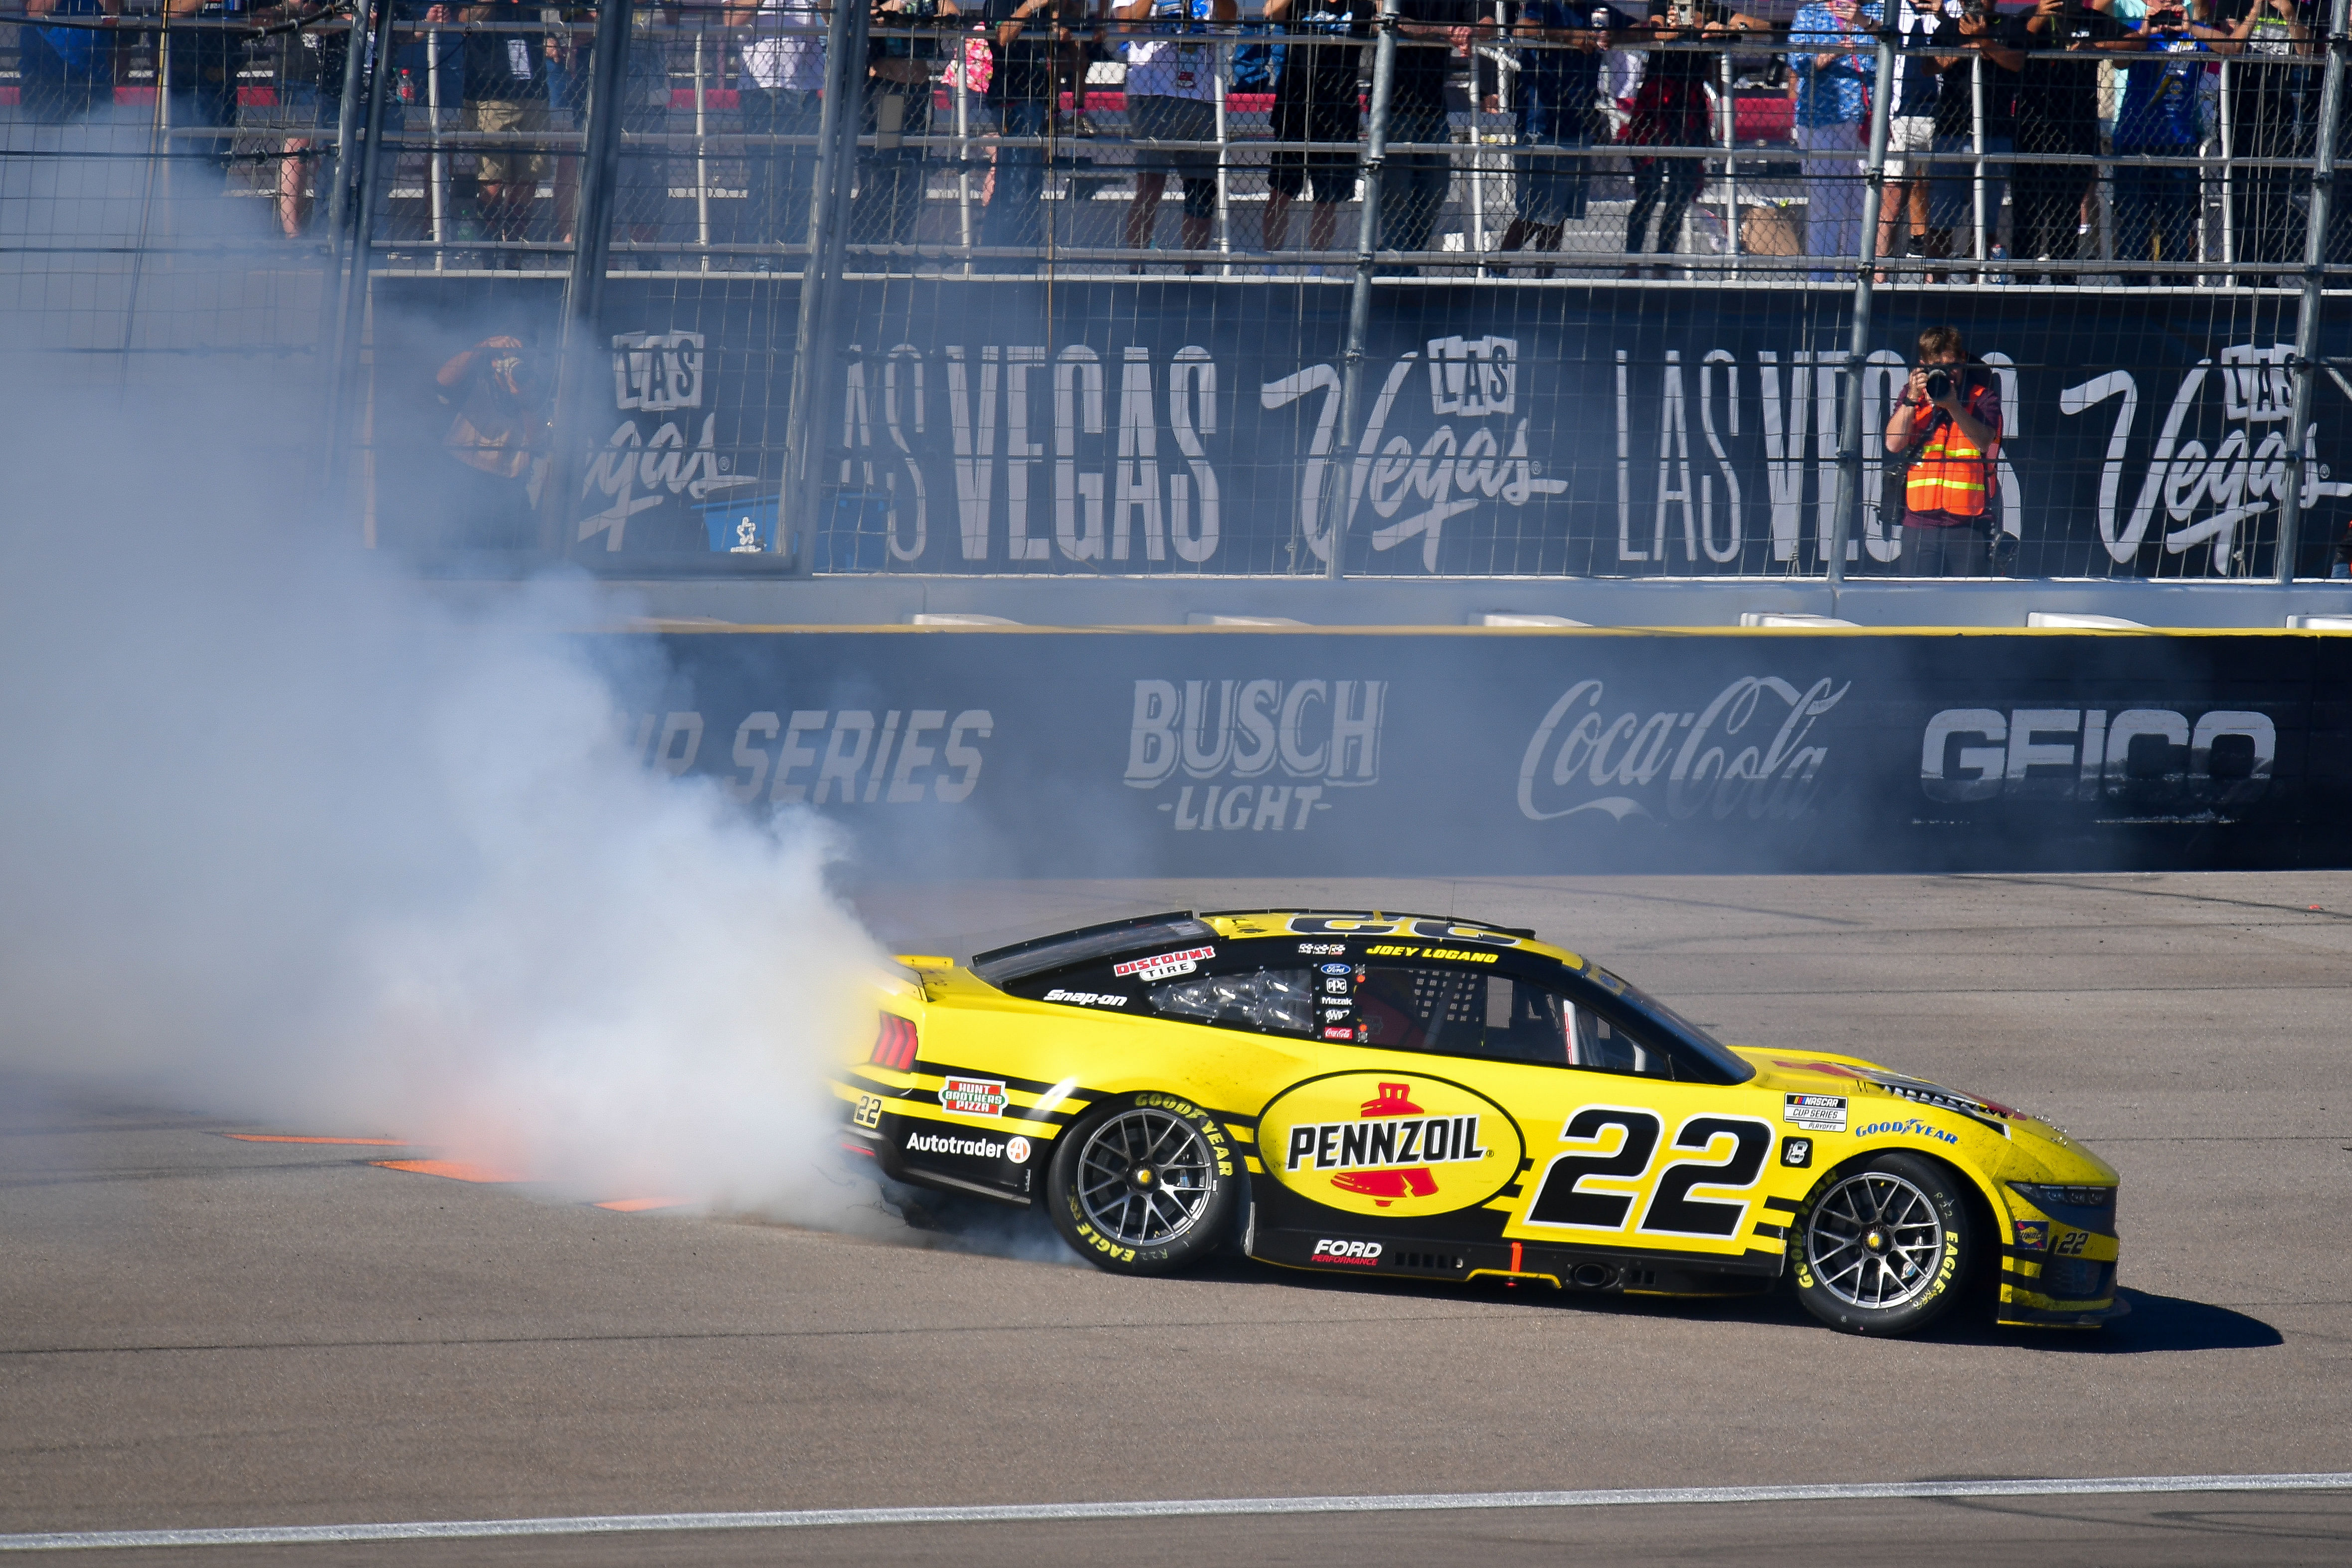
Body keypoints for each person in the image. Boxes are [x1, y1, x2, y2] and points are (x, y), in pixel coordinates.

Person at [2006, 0, 2142, 284]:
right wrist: (2042, 16)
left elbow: (2136, 42)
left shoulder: (2090, 20)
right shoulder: (2028, 17)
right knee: (2027, 212)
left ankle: (2063, 283)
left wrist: (2097, 48)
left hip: (2077, 130)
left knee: (2065, 214)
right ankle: (2022, 282)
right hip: (2032, 130)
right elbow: (2012, 50)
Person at [1625, 0, 1759, 271]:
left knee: (1680, 190)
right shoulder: (1663, 5)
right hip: (1657, 102)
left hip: (1690, 107)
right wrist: (1683, 28)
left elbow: (1762, 27)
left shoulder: (1711, 9)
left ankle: (1663, 261)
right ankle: (1632, 261)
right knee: (1648, 192)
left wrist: (1724, 27)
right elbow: (1657, 32)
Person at [1115, 0, 1238, 267]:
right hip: (1153, 95)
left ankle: (1194, 271)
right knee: (1151, 185)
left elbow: (1229, 21)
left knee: (1202, 188)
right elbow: (1126, 25)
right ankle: (1136, 266)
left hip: (1203, 94)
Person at [2113, 0, 2223, 284]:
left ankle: (2178, 288)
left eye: (2172, 3)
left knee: (2178, 221)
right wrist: (2146, 30)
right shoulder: (2139, 31)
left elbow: (2233, 48)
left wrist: (2191, 27)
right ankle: (2133, 290)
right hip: (2135, 139)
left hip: (2179, 141)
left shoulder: (2194, 33)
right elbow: (2119, 60)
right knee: (2134, 221)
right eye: (2160, 3)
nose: (2166, 8)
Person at [1499, 0, 1613, 273]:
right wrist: (1568, 36)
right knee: (1535, 214)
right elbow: (1522, 30)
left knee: (1559, 214)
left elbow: (1640, 30)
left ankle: (1544, 279)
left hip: (1579, 126)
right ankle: (1497, 267)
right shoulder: (1544, 6)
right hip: (1540, 126)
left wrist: (1616, 36)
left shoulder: (1599, 11)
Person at [1884, 325, 2000, 575]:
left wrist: (1953, 405)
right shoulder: (1913, 397)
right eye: (1938, 368)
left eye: (1952, 367)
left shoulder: (1983, 397)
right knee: (1916, 601)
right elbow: (1893, 443)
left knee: (1966, 607)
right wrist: (1911, 400)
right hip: (1920, 522)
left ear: (1962, 362)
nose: (1947, 375)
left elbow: (1984, 442)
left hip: (1968, 525)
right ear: (1923, 366)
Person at [1382, 0, 1491, 264]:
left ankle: (1410, 258)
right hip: (1395, 101)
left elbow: (1489, 24)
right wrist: (1448, 30)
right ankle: (1394, 261)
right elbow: (1393, 21)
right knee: (1397, 189)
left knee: (1436, 189)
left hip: (1433, 104)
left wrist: (1469, 32)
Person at [981, 0, 1090, 264]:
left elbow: (1069, 39)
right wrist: (1030, 6)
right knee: (1014, 182)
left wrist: (1063, 29)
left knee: (1031, 183)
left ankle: (1026, 254)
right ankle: (1000, 257)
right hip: (1013, 98)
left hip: (1039, 98)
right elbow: (1003, 36)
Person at [1262, 0, 1369, 259]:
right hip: (1296, 109)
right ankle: (1270, 266)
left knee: (1326, 199)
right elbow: (1270, 13)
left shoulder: (1360, 5)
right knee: (1280, 192)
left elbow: (1383, 15)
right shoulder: (1301, 3)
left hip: (1339, 112)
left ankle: (1317, 267)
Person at [2217, 0, 2311, 282]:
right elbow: (2231, 46)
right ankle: (2241, 271)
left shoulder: (2301, 7)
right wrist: (2255, 12)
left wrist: (2288, 13)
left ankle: (2267, 271)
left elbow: (2307, 53)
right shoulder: (2235, 3)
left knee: (2273, 194)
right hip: (2239, 108)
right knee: (2241, 192)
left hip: (2278, 112)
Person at [1786, 0, 1879, 280]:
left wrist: (1863, 22)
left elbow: (1895, 49)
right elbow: (1798, 63)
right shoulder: (1810, 15)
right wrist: (1834, 53)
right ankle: (1821, 278)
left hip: (1867, 121)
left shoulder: (1876, 11)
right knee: (1826, 201)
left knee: (1862, 203)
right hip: (1822, 120)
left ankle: (1856, 274)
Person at [1927, 0, 2020, 271]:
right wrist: (1968, 49)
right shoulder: (1948, 28)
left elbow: (2016, 62)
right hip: (1951, 133)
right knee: (1941, 218)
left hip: (1996, 133)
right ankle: (1935, 284)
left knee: (1986, 221)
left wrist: (1986, 43)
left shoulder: (2011, 26)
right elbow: (1929, 66)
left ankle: (1978, 283)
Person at [433, 335, 549, 549]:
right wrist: (484, 346)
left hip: (507, 487)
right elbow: (442, 380)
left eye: (518, 359)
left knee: (509, 560)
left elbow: (539, 442)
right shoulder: (476, 374)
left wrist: (524, 398)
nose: (511, 365)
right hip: (462, 478)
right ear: (494, 361)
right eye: (505, 359)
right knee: (453, 555)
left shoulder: (535, 386)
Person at [861, 0, 961, 250]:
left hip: (919, 90)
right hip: (890, 90)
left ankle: (900, 241)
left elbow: (954, 16)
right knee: (886, 169)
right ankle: (873, 241)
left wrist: (929, 19)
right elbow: (868, 16)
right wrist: (891, 12)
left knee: (915, 169)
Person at [730, 0, 826, 256]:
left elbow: (830, 25)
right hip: (762, 89)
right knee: (768, 176)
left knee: (806, 178)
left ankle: (798, 254)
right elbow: (729, 20)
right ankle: (764, 255)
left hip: (807, 89)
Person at [1877, 0, 1951, 281]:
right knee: (1892, 198)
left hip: (1947, 118)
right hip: (1901, 116)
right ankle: (1878, 275)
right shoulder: (1888, 6)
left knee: (1942, 203)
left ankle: (1936, 281)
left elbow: (1968, 33)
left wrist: (1940, 13)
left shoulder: (1953, 6)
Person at [19, 0, 118, 123]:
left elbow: (115, 10)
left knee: (100, 137)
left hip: (94, 79)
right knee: (42, 139)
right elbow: (37, 11)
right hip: (46, 81)